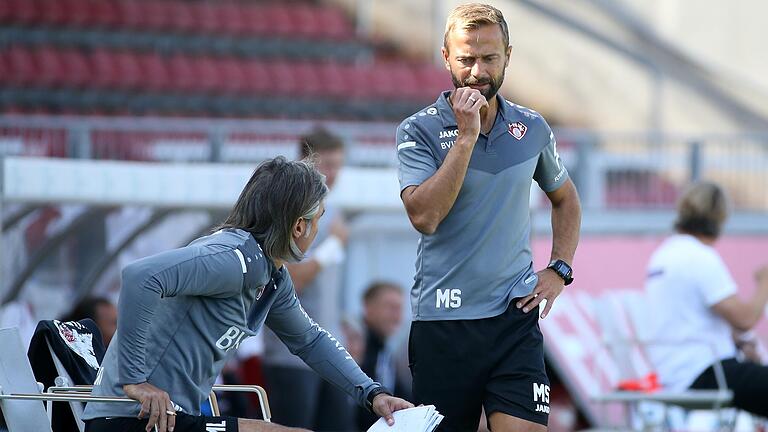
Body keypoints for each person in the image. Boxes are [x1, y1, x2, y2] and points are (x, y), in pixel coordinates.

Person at [82, 157, 413, 432]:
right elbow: (140, 277)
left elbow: (310, 341)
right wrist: (134, 381)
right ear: (299, 226)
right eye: (318, 221)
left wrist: (372, 393)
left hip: (173, 419)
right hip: (130, 419)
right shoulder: (233, 258)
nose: (316, 231)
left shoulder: (270, 274)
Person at [395, 4, 581, 431]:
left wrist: (560, 268)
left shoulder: (532, 128)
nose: (477, 71)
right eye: (465, 59)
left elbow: (566, 200)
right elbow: (424, 216)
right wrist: (466, 137)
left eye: (489, 58)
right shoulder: (417, 130)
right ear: (446, 57)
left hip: (515, 319)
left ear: (508, 56)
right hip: (445, 323)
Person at [644, 181, 768, 417]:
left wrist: (738, 342)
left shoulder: (663, 255)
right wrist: (765, 282)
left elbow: (688, 317)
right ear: (720, 218)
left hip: (674, 372)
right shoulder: (700, 257)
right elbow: (745, 319)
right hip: (705, 371)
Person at [261, 128, 354, 431]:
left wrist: (344, 322)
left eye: (338, 165)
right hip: (291, 355)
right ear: (304, 163)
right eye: (327, 165)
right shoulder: (288, 213)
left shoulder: (333, 212)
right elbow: (290, 280)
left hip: (331, 352)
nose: (334, 174)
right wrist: (331, 248)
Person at [355, 282, 409, 431]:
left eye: (400, 309)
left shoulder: (385, 351)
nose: (397, 316)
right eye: (391, 308)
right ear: (368, 308)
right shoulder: (353, 344)